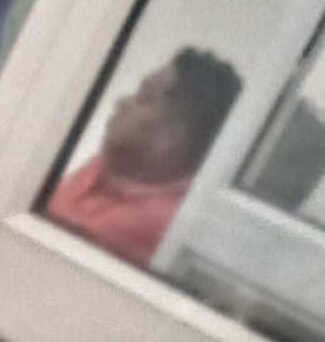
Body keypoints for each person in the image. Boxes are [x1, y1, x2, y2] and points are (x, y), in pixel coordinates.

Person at [42, 46, 245, 269]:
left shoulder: (161, 222)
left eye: (144, 98)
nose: (121, 102)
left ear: (171, 136)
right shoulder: (119, 166)